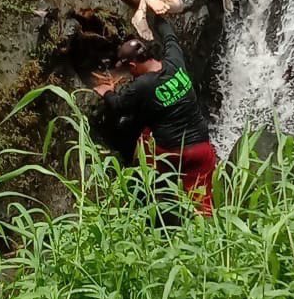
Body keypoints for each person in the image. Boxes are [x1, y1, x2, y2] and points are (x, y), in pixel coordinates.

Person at [93, 15, 217, 215]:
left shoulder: (142, 85)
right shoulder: (175, 60)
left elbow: (118, 106)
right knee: (202, 205)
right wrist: (154, 12)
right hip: (201, 148)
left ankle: (148, 202)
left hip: (171, 153)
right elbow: (169, 35)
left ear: (132, 66)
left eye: (128, 70)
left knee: (143, 142)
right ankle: (209, 236)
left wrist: (106, 91)